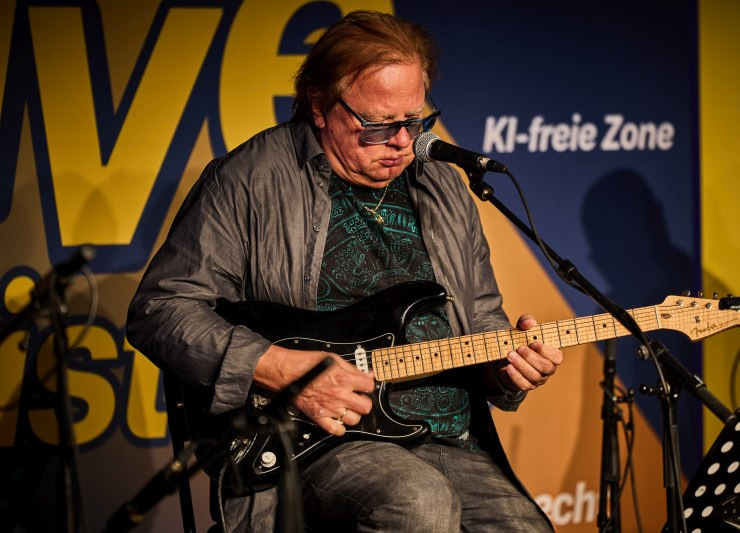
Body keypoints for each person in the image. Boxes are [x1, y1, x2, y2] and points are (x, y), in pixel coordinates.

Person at [127, 10, 562, 532]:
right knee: (417, 502)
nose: (402, 141)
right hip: (319, 439)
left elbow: (482, 316)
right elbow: (160, 310)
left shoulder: (444, 187)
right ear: (319, 105)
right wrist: (283, 370)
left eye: (415, 120)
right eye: (377, 125)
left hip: (447, 433)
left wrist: (505, 370)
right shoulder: (248, 180)